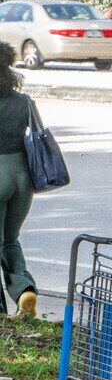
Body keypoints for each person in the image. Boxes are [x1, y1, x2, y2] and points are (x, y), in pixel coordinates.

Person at [0, 45, 39, 317]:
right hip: (23, 177)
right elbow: (38, 135)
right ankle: (24, 289)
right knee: (10, 240)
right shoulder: (24, 101)